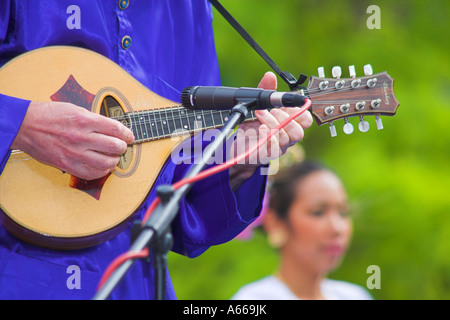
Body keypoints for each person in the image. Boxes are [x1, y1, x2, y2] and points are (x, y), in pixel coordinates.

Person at [0, 1, 312, 299]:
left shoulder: (189, 8)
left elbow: (183, 198)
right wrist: (21, 124)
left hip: (135, 282)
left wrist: (238, 162)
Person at [232, 161, 372, 300]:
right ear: (275, 222)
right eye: (318, 212)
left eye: (343, 213)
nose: (337, 228)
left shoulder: (355, 296)